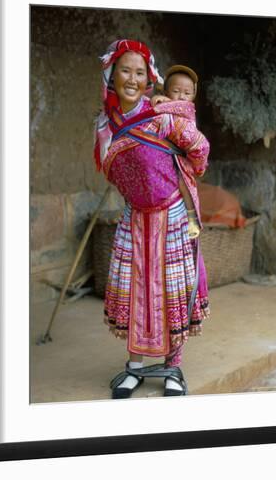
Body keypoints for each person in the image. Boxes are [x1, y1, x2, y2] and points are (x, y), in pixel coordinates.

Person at [94, 40, 210, 398]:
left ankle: (173, 368)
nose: (132, 78)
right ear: (112, 76)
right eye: (125, 70)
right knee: (134, 291)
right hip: (135, 219)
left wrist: (181, 174)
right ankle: (135, 367)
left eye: (139, 72)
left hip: (172, 215)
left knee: (172, 290)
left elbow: (199, 149)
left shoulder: (163, 116)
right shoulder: (104, 125)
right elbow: (108, 168)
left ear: (149, 79)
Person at [152, 65, 202, 239]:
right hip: (162, 154)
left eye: (187, 93)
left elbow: (175, 108)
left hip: (180, 157)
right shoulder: (163, 107)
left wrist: (163, 102)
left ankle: (191, 218)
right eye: (176, 90)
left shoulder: (187, 109)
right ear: (166, 91)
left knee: (184, 184)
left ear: (193, 96)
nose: (182, 96)